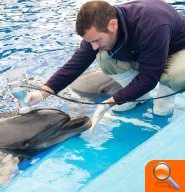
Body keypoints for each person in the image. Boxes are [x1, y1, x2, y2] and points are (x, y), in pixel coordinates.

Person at [24, 0, 185, 132]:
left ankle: (165, 101)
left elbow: (150, 77)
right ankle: (138, 97)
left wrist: (111, 102)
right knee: (104, 57)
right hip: (145, 51)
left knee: (175, 77)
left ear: (113, 25)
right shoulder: (98, 28)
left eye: (97, 40)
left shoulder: (151, 23)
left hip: (178, 49)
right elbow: (76, 64)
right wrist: (44, 92)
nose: (93, 46)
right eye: (90, 41)